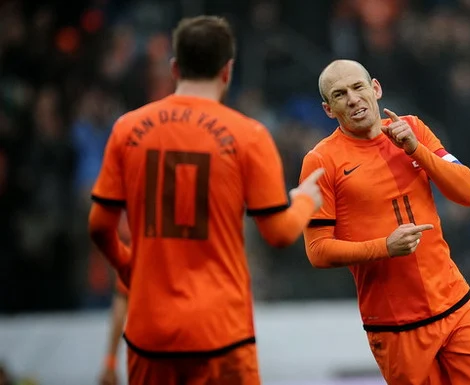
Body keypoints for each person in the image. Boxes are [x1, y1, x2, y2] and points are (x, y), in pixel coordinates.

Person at [88, 15, 324, 385]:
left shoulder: (127, 129)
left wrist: (127, 267)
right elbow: (278, 233)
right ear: (227, 71)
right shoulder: (249, 135)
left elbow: (99, 227)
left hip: (150, 334)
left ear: (175, 67)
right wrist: (305, 200)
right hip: (222, 333)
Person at [299, 59, 470, 385]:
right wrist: (384, 247)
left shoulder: (412, 128)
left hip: (456, 307)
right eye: (339, 95)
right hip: (397, 327)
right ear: (328, 109)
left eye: (358, 87)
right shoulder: (321, 160)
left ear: (376, 89)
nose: (353, 99)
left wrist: (415, 149)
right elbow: (317, 250)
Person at [98, 277, 128, 385]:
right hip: (183, 346)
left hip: (150, 352)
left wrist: (110, 363)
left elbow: (120, 314)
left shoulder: (139, 260)